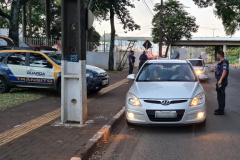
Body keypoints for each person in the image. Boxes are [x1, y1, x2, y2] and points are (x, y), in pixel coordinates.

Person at [215, 51, 229, 115]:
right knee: (219, 95)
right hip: (219, 80)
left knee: (221, 95)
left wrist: (220, 80)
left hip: (222, 81)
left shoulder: (224, 62)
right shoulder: (221, 62)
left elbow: (224, 71)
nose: (217, 56)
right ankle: (220, 108)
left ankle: (221, 110)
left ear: (219, 55)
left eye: (217, 55)